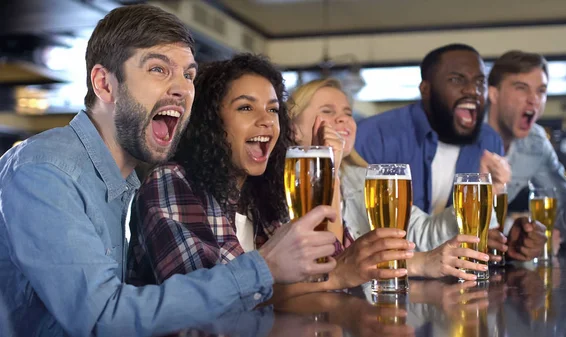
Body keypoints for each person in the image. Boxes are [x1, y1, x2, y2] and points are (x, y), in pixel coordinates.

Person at [0, 6, 339, 336]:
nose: (182, 89)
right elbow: (103, 318)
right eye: (159, 69)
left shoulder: (123, 182)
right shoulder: (46, 170)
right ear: (104, 84)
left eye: (188, 74)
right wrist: (263, 267)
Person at [128, 54, 416, 301]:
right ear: (210, 121)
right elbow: (211, 297)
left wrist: (326, 173)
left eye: (273, 109)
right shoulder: (171, 182)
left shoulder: (264, 192)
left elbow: (326, 264)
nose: (266, 120)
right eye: (245, 107)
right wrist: (339, 276)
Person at [354, 43, 545, 261]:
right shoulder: (373, 136)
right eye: (457, 80)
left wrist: (508, 240)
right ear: (425, 89)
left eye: (479, 82)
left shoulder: (489, 141)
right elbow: (356, 229)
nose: (472, 90)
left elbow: (485, 231)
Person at [289, 78, 491, 281]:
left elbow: (423, 236)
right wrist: (417, 263)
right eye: (327, 111)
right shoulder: (283, 187)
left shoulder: (364, 179)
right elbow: (318, 271)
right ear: (293, 129)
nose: (343, 119)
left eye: (348, 113)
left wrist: (481, 200)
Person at [487, 50, 566, 247]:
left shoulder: (536, 143)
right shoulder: (464, 132)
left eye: (541, 90)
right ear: (494, 94)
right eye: (521, 88)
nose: (534, 99)